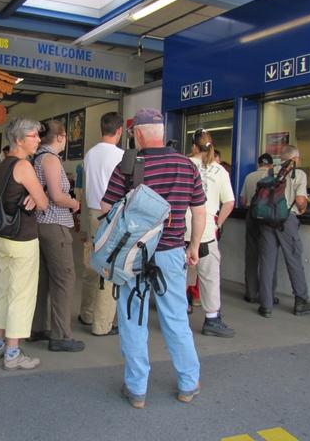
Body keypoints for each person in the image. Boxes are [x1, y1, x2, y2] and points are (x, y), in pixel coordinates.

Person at [101, 108, 206, 408]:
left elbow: (107, 208)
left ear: (138, 134)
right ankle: (188, 383)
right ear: (161, 132)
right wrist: (194, 246)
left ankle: (137, 389)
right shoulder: (187, 165)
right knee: (175, 317)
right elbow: (199, 211)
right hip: (171, 253)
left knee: (133, 318)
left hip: (133, 254)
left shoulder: (129, 165)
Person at [0, 118, 49, 370]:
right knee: (21, 295)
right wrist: (36, 195)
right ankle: (12, 352)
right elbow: (43, 202)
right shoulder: (24, 165)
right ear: (19, 140)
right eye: (34, 136)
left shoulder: (6, 163)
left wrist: (33, 194)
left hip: (4, 237)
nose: (38, 140)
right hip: (23, 238)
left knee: (3, 290)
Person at [29, 119, 85, 352]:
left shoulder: (37, 157)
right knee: (64, 278)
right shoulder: (50, 159)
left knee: (43, 279)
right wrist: (75, 203)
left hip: (40, 224)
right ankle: (60, 335)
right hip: (54, 225)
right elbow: (56, 195)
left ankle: (38, 327)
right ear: (61, 136)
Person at [184, 129, 235, 337]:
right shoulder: (221, 171)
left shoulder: (183, 165)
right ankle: (212, 319)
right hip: (205, 232)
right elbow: (229, 202)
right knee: (209, 277)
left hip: (180, 232)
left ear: (193, 146)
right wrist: (217, 224)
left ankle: (177, 316)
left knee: (179, 276)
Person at [79, 112, 124, 336]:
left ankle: (86, 313)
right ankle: (102, 324)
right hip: (112, 216)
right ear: (119, 131)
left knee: (91, 266)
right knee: (109, 269)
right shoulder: (121, 156)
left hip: (92, 214)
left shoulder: (90, 154)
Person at [257, 145, 310, 318]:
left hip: (267, 220)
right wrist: (303, 208)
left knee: (267, 262)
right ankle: (301, 301)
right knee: (293, 259)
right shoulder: (299, 173)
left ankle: (266, 305)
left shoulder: (268, 172)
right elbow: (300, 200)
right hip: (286, 220)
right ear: (294, 159)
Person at [240, 153, 279, 305]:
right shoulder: (273, 177)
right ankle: (268, 295)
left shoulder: (249, 177)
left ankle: (251, 293)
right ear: (271, 165)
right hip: (268, 218)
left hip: (251, 215)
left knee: (251, 255)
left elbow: (243, 201)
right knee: (268, 257)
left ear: (258, 164)